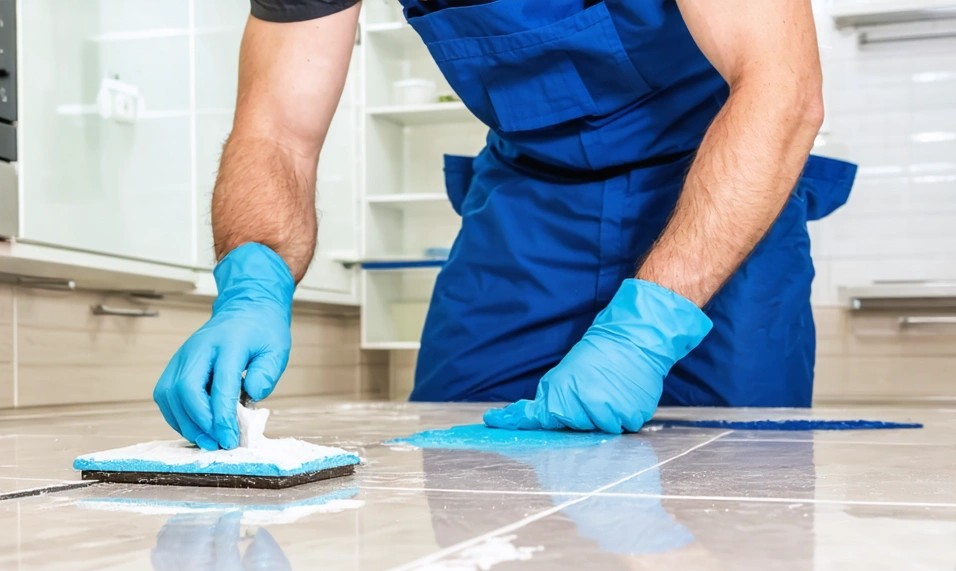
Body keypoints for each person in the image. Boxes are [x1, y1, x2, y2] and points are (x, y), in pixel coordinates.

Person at [153, 0, 856, 449]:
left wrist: (647, 329)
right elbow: (275, 129)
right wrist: (253, 280)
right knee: (465, 466)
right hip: (530, 201)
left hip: (715, 178)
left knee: (738, 479)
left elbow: (782, 88)